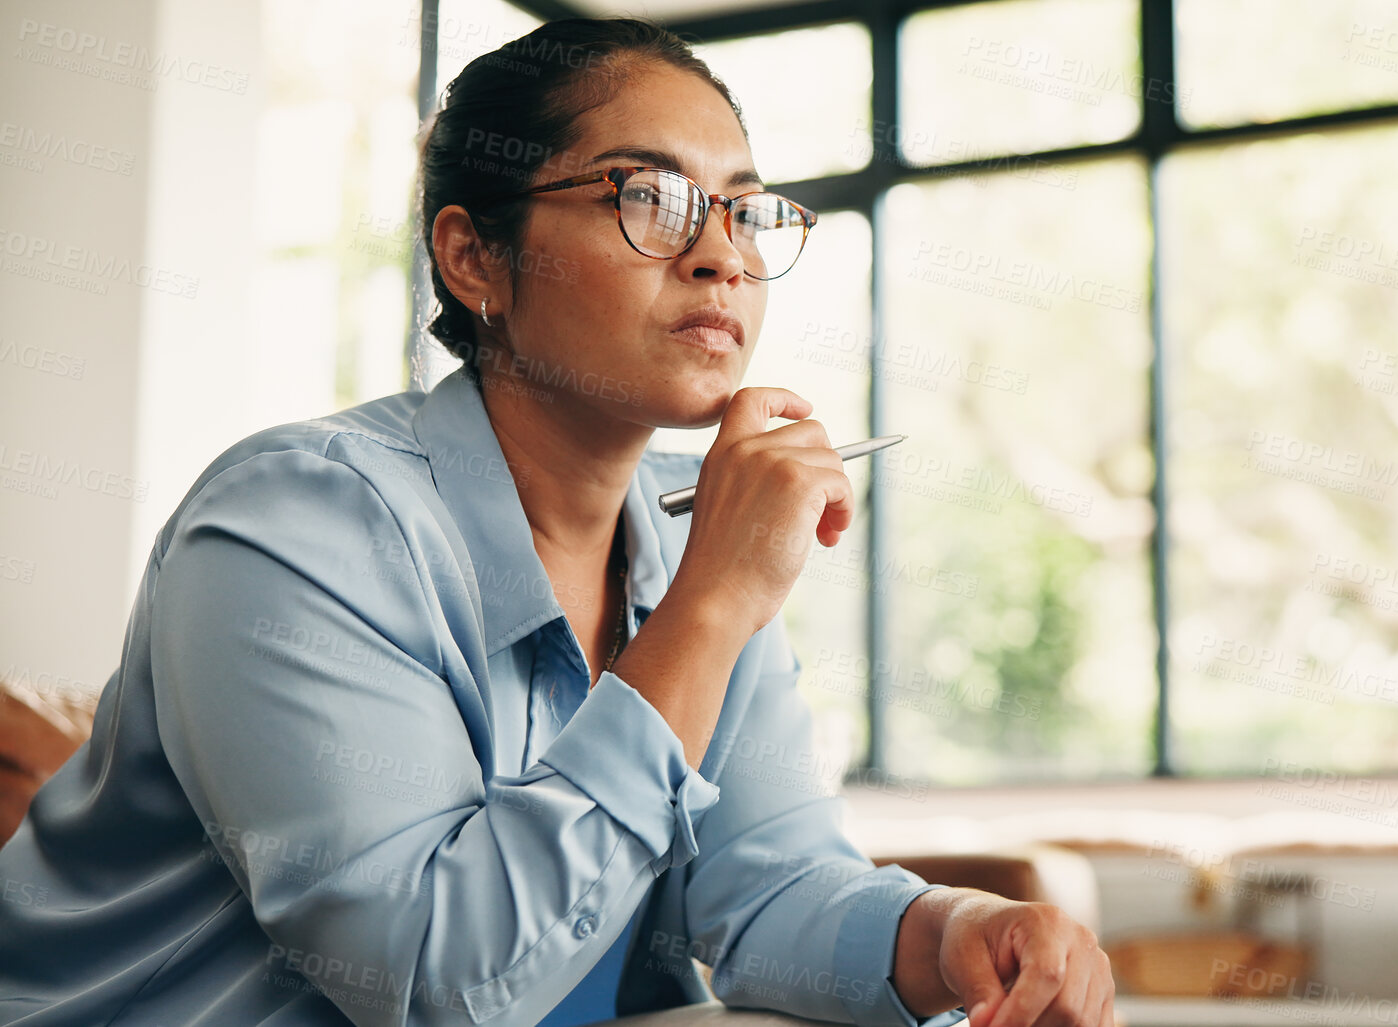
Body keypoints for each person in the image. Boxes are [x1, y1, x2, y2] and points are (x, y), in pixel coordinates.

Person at [0, 18, 1114, 1027]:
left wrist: (955, 935)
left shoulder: (682, 540)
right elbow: (442, 981)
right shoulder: (290, 524)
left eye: (742, 208)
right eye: (648, 198)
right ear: (474, 256)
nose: (722, 252)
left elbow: (767, 886)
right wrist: (717, 602)